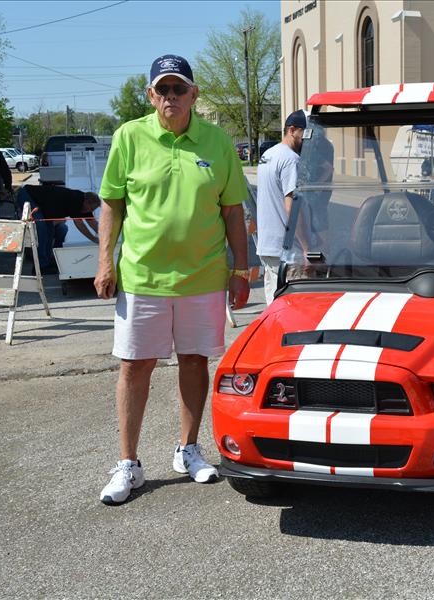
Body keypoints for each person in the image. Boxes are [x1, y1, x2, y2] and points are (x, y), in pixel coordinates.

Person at [94, 54, 249, 505]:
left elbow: (233, 211)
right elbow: (112, 204)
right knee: (134, 366)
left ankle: (188, 449)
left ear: (194, 94)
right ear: (150, 95)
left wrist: (240, 270)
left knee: (195, 361)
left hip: (203, 277)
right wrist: (106, 263)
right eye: (162, 89)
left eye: (179, 88)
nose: (171, 97)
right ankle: (128, 463)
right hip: (142, 277)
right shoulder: (129, 136)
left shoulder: (218, 141)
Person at [256, 109, 310, 303]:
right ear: (292, 130)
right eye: (306, 133)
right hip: (288, 251)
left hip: (267, 247)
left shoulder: (268, 155)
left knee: (274, 308)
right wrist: (306, 247)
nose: (309, 139)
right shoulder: (291, 160)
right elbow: (292, 207)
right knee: (295, 308)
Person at [16, 184, 101, 275]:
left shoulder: (84, 206)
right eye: (91, 208)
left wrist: (105, 238)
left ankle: (47, 262)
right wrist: (94, 239)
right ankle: (41, 266)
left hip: (44, 207)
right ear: (87, 202)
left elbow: (93, 223)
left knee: (50, 232)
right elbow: (80, 224)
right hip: (28, 195)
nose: (91, 211)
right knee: (42, 232)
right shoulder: (76, 199)